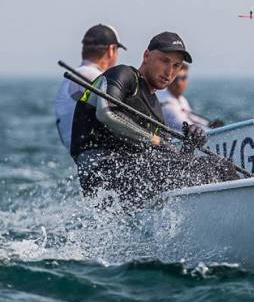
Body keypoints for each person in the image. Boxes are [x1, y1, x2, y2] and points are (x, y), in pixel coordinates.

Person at [69, 31, 238, 205]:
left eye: (176, 66)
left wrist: (189, 145)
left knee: (220, 166)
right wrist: (154, 139)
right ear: (146, 56)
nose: (169, 71)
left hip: (132, 171)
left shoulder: (155, 107)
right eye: (164, 61)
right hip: (102, 172)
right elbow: (107, 113)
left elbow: (173, 159)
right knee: (211, 169)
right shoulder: (123, 75)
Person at [54, 24, 126, 149]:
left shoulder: (79, 74)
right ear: (111, 49)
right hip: (92, 150)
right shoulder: (86, 74)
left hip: (85, 149)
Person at [157, 64, 224, 130]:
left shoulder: (182, 99)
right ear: (170, 78)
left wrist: (209, 124)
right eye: (176, 78)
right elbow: (184, 125)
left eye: (183, 78)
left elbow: (192, 117)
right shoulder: (166, 102)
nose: (179, 83)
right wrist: (208, 129)